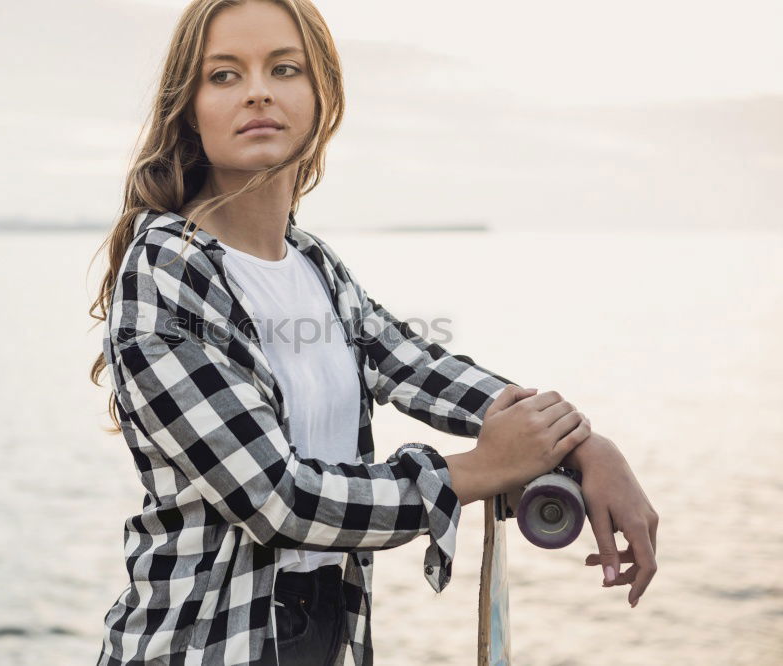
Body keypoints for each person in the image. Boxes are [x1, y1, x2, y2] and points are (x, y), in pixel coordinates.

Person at [88, 1, 660, 664]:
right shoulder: (167, 268)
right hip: (208, 645)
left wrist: (582, 442)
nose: (258, 91)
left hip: (328, 629)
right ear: (189, 108)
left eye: (284, 68)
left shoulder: (314, 267)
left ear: (322, 95)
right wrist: (480, 469)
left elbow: (419, 368)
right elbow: (279, 499)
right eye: (224, 75)